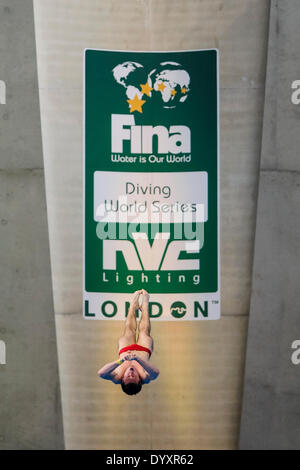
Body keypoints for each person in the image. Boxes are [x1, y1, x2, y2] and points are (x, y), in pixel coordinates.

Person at [98, 289, 159, 395]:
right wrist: (138, 359)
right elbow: (155, 373)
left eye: (128, 376)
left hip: (125, 349)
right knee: (144, 332)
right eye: (134, 376)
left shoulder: (117, 376)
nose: (131, 373)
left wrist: (120, 361)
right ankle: (145, 305)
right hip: (143, 349)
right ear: (139, 380)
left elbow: (101, 373)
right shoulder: (144, 377)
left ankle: (133, 305)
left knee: (129, 330)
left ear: (122, 380)